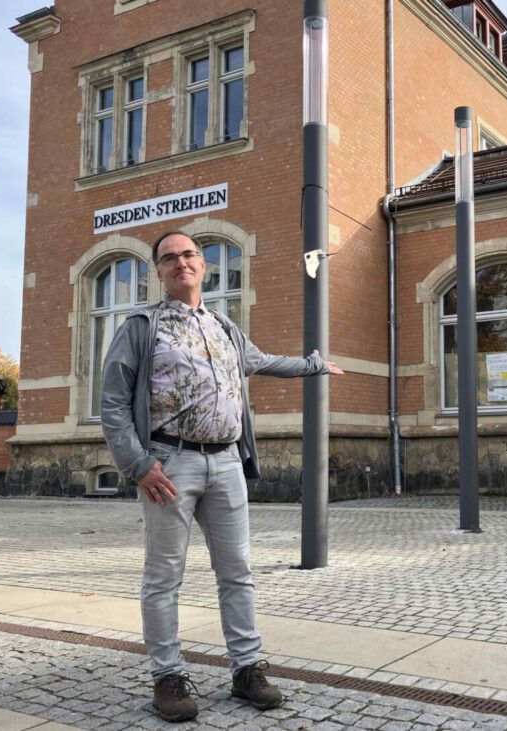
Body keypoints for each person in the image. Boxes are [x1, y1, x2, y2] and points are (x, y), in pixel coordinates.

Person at [100, 231, 342, 722]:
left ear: (203, 266)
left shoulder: (225, 328)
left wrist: (313, 366)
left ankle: (247, 669)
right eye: (169, 258)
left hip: (227, 462)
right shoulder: (142, 327)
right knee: (164, 576)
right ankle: (167, 675)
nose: (180, 263)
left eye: (188, 254)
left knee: (237, 573)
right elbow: (112, 403)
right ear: (160, 272)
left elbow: (264, 361)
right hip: (169, 465)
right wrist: (137, 464)